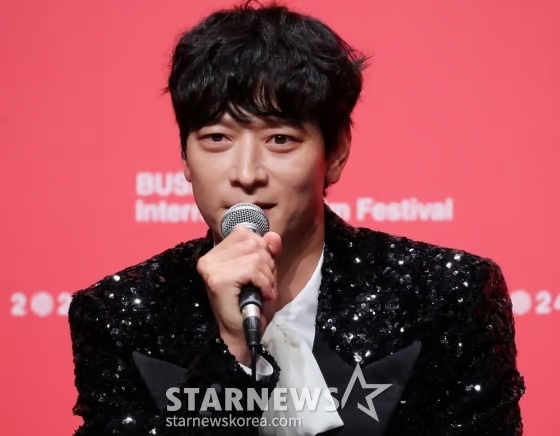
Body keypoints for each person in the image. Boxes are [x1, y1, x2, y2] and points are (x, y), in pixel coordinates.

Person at [68, 2, 525, 435]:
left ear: (336, 153)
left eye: (280, 139)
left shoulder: (444, 294)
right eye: (217, 138)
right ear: (185, 157)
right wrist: (232, 349)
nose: (246, 173)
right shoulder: (119, 313)